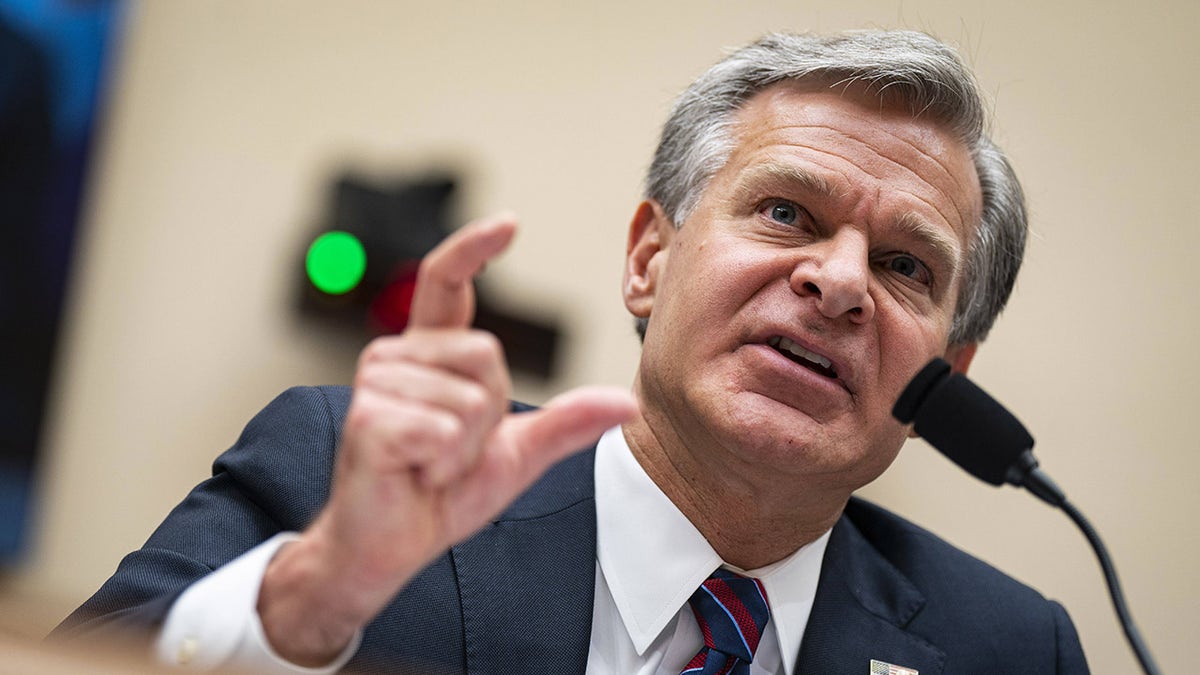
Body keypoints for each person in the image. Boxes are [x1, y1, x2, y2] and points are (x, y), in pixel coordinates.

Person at [56, 30, 1090, 673]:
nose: (842, 281)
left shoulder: (1008, 649)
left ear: (946, 380)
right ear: (649, 258)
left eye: (909, 267)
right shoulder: (337, 464)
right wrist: (313, 597)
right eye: (785, 212)